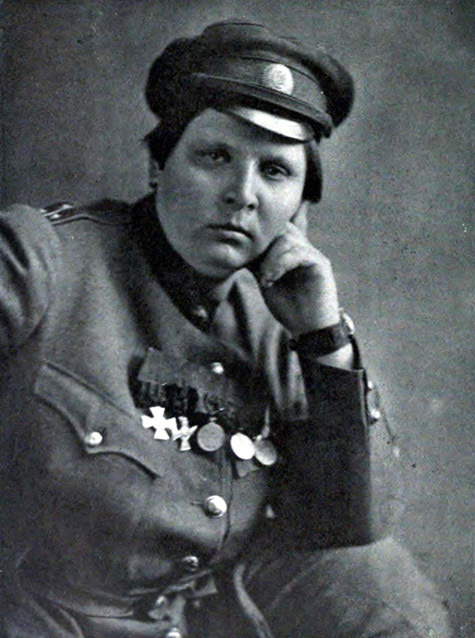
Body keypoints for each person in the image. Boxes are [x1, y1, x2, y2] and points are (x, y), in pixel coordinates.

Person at [0, 20, 452, 638]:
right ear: (158, 165)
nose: (242, 194)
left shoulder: (277, 321)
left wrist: (323, 337)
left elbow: (350, 525)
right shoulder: (42, 260)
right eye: (215, 157)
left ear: (300, 207)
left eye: (276, 171)